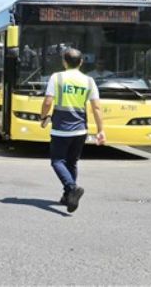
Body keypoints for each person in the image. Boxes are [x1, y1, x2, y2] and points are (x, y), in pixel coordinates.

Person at [40, 48, 105, 213]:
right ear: (81, 62)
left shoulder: (57, 77)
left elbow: (48, 102)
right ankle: (68, 197)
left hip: (61, 129)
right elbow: (97, 107)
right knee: (72, 162)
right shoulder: (89, 81)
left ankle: (72, 187)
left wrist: (43, 117)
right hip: (80, 130)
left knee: (57, 161)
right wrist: (101, 130)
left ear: (64, 62)